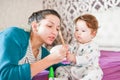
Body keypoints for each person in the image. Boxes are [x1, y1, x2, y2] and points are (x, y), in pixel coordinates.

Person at [0, 9, 67, 80]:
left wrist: (74, 59)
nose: (55, 32)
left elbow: (60, 67)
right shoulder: (13, 35)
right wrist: (50, 60)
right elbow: (4, 76)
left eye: (57, 29)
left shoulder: (42, 52)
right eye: (50, 26)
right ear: (35, 27)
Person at [55, 14, 103, 80]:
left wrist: (75, 58)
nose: (78, 33)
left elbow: (88, 59)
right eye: (77, 30)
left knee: (96, 72)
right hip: (74, 69)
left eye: (83, 31)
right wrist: (66, 50)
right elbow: (70, 51)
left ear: (93, 34)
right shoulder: (74, 43)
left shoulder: (93, 46)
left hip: (87, 69)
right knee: (60, 69)